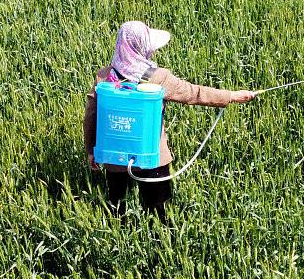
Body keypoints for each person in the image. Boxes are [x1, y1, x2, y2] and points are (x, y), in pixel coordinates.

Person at [83, 21, 253, 223]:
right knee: (158, 210)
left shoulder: (104, 77)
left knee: (116, 206)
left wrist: (91, 151)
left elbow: (90, 116)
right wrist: (230, 96)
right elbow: (194, 93)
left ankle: (119, 235)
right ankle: (159, 242)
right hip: (152, 158)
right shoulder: (158, 78)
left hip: (114, 158)